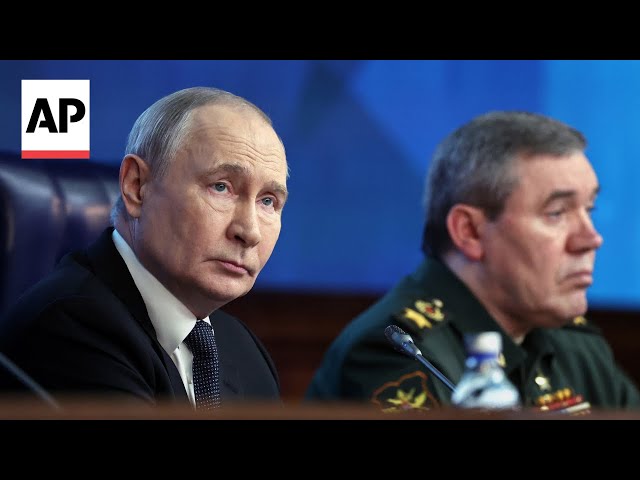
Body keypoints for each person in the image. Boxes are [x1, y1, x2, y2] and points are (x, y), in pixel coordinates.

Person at [306, 111, 640, 413]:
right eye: (556, 213)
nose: (590, 239)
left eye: (590, 209)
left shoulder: (574, 343)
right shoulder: (398, 351)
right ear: (470, 232)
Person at [0, 86, 289, 410]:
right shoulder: (71, 328)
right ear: (137, 187)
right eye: (221, 187)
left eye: (268, 201)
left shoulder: (245, 352)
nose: (249, 232)